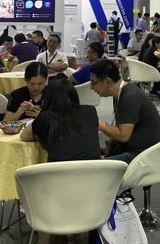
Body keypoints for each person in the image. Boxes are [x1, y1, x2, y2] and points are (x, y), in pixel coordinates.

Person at [20, 79, 101, 244]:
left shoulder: (46, 118)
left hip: (57, 188)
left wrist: (43, 120)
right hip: (93, 185)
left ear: (48, 99)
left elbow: (24, 136)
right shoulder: (90, 111)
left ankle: (46, 236)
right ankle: (80, 234)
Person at [89, 60, 160, 164]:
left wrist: (96, 123)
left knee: (94, 167)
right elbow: (121, 123)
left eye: (93, 83)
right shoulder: (120, 93)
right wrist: (108, 146)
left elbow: (123, 136)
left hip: (141, 156)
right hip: (132, 149)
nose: (91, 87)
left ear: (107, 82)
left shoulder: (129, 98)